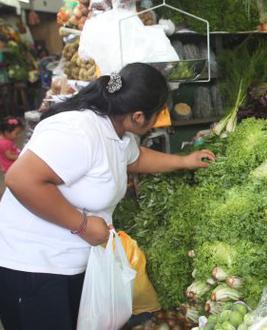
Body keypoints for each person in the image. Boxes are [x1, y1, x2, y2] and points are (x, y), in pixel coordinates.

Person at [0, 63, 216, 330]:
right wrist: (82, 225)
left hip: (69, 263)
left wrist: (184, 161)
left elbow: (134, 158)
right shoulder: (80, 130)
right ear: (138, 116)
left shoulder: (115, 128)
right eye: (157, 114)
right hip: (34, 267)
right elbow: (21, 179)